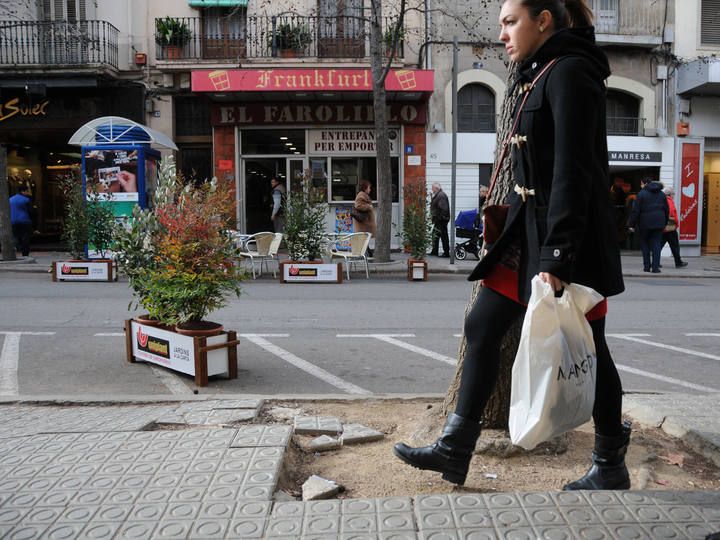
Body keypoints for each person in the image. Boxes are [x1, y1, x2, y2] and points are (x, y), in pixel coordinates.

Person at [393, 0, 630, 491]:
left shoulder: (571, 73)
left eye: (510, 21)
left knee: (592, 349)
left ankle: (610, 464)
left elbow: (573, 171)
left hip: (568, 244)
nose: (501, 33)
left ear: (542, 20)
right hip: (528, 235)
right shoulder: (541, 70)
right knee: (481, 325)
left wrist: (558, 255)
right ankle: (455, 449)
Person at [628, 178, 668, 273]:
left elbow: (636, 210)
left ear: (644, 184)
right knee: (656, 244)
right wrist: (665, 222)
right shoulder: (662, 194)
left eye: (641, 184)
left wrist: (631, 224)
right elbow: (666, 210)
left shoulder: (641, 194)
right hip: (659, 222)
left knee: (644, 244)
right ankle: (655, 268)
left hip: (644, 223)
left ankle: (646, 266)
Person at [660, 187, 688, 268]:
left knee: (659, 245)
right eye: (673, 194)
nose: (674, 196)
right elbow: (671, 212)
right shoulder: (669, 200)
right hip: (670, 227)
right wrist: (676, 222)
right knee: (675, 245)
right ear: (670, 194)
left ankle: (655, 262)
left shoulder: (662, 200)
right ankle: (678, 262)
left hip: (664, 227)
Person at [9, 185, 34, 257]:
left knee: (15, 236)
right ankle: (25, 253)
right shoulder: (26, 200)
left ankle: (15, 250)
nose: (28, 193)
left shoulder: (10, 199)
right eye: (27, 191)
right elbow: (31, 211)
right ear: (23, 191)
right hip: (24, 221)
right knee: (25, 237)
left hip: (13, 221)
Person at [353, 180, 376, 257]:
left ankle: (368, 255)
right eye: (369, 188)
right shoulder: (361, 195)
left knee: (364, 241)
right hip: (363, 223)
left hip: (364, 222)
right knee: (364, 240)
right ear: (365, 188)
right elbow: (358, 205)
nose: (370, 189)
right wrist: (368, 207)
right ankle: (367, 256)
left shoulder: (363, 195)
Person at [430, 182, 450, 257]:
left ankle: (446, 253)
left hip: (441, 220)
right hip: (440, 220)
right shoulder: (439, 195)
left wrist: (440, 218)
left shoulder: (441, 195)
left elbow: (444, 209)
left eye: (433, 188)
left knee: (443, 236)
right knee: (436, 235)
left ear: (436, 188)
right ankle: (435, 251)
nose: (432, 189)